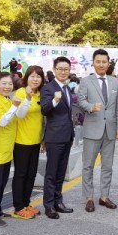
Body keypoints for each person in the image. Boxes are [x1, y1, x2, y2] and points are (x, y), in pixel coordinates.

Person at [78, 49, 118, 213]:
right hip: (92, 129)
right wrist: (91, 107)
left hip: (110, 129)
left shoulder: (114, 82)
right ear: (93, 63)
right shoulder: (86, 81)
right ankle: (89, 197)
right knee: (88, 166)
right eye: (98, 61)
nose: (101, 64)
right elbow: (80, 101)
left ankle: (104, 196)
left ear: (108, 63)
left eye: (104, 62)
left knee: (107, 166)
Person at [41, 56, 76, 219]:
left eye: (66, 69)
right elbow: (45, 110)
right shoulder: (48, 88)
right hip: (54, 137)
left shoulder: (67, 88)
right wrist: (55, 100)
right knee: (52, 172)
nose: (63, 72)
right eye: (60, 69)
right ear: (54, 70)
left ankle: (58, 201)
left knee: (61, 171)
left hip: (67, 135)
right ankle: (49, 205)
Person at [0, 72, 20, 227]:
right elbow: (1, 121)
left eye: (10, 84)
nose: (7, 87)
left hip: (7, 149)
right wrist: (14, 107)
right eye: (4, 83)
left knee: (2, 183)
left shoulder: (6, 100)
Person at [11, 66, 45, 219]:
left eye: (38, 76)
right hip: (22, 141)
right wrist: (28, 98)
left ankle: (26, 203)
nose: (35, 79)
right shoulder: (20, 93)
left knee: (31, 174)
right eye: (32, 76)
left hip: (35, 140)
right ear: (26, 77)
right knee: (21, 174)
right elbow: (20, 114)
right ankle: (18, 207)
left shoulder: (40, 94)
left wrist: (43, 138)